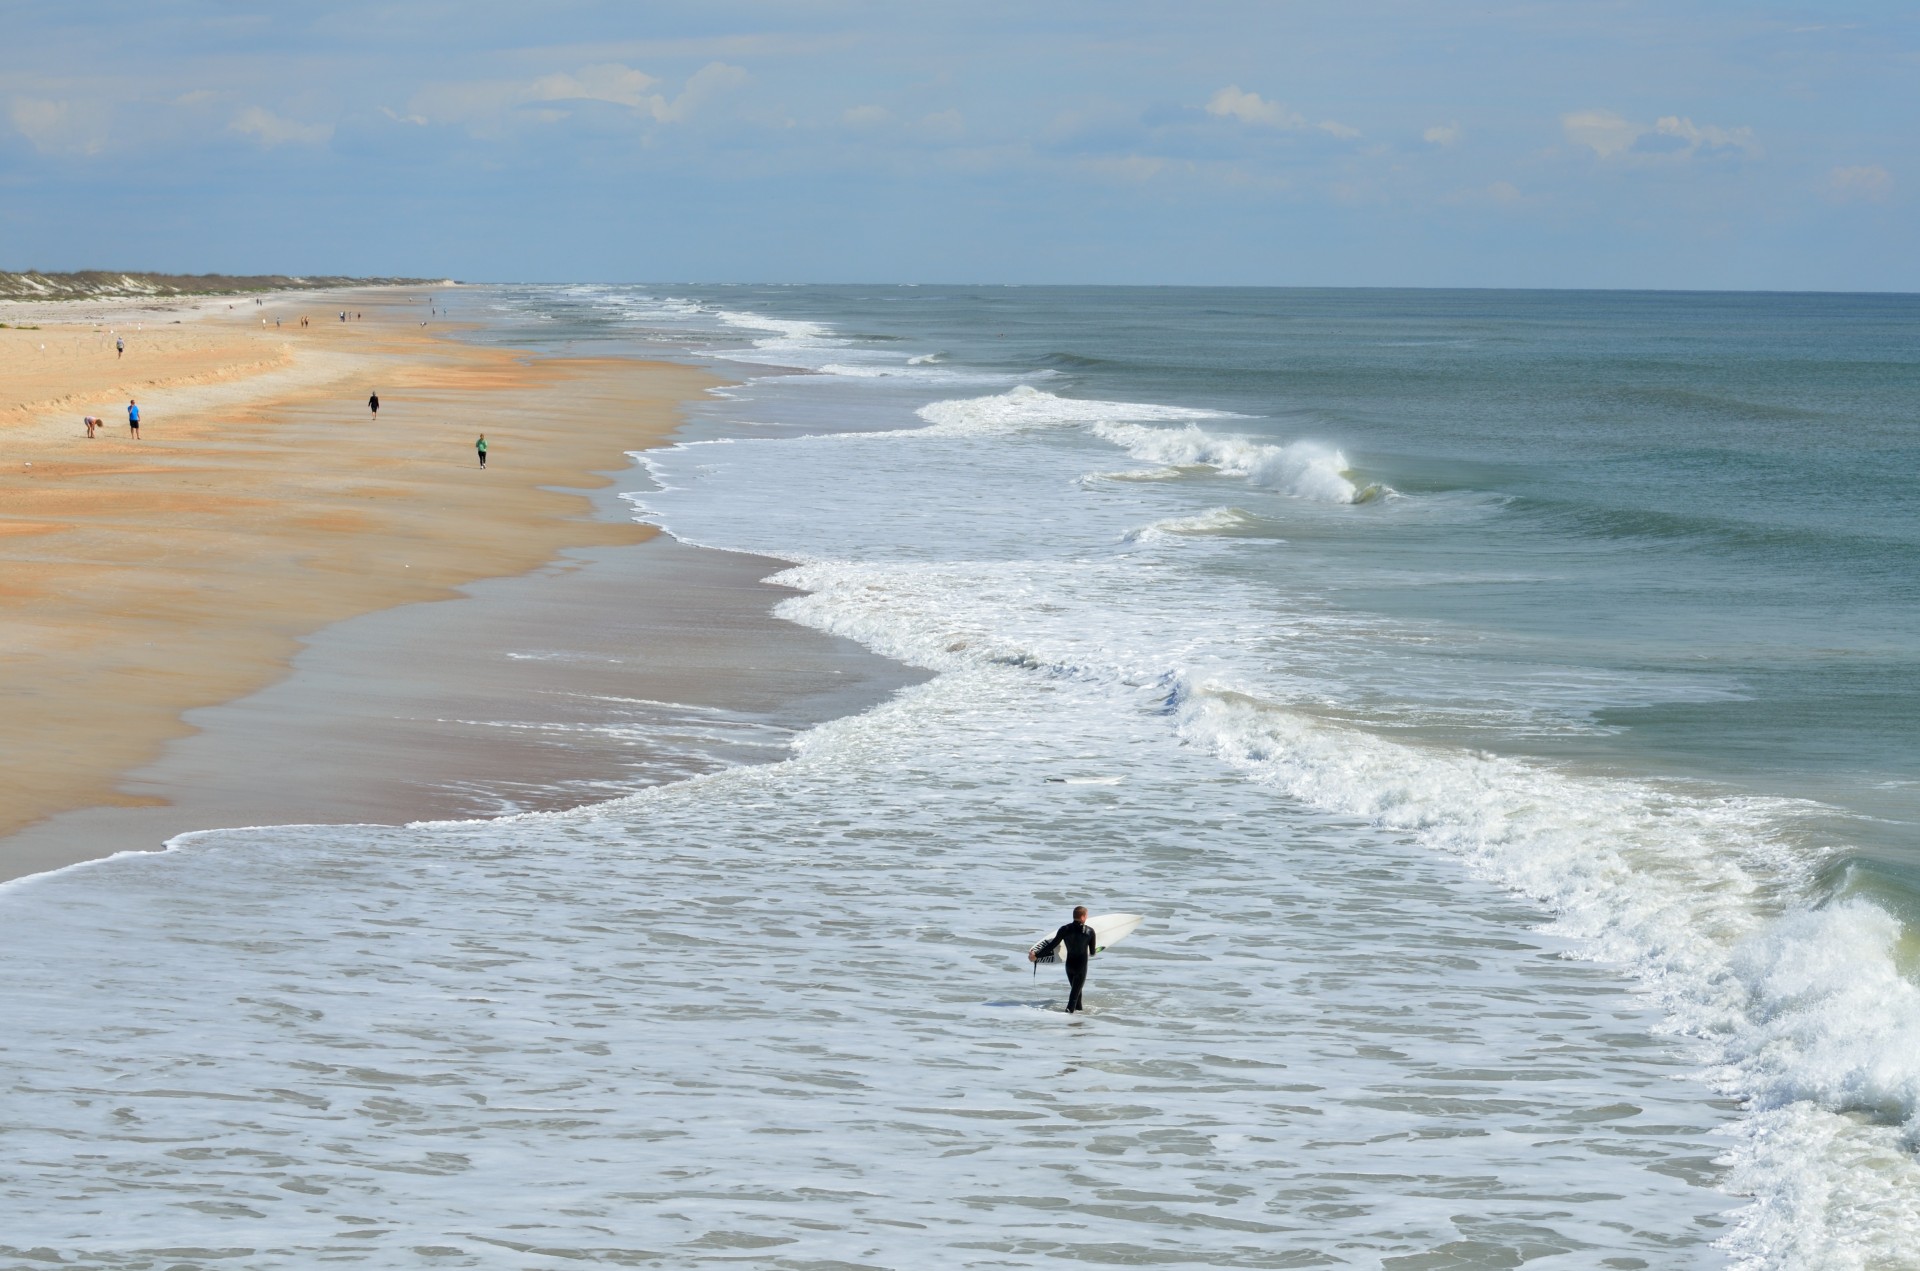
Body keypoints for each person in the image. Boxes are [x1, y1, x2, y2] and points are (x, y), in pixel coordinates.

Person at [1029, 905, 1099, 1013]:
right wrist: (1094, 951)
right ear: (1083, 917)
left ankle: (1078, 1022)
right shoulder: (1090, 931)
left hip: (1069, 966)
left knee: (1077, 994)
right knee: (1073, 999)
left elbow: (1051, 946)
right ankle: (1066, 1019)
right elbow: (1093, 952)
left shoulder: (1064, 929)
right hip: (1081, 967)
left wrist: (1037, 955)